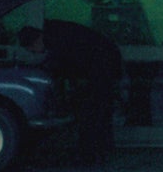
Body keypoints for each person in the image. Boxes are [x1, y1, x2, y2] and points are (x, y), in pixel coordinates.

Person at [23, 18, 124, 164]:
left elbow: (63, 64)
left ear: (36, 41)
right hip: (103, 70)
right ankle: (99, 150)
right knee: (99, 113)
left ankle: (90, 153)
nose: (34, 53)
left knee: (91, 113)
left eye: (32, 49)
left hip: (99, 72)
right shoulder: (60, 35)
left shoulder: (57, 41)